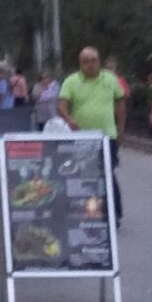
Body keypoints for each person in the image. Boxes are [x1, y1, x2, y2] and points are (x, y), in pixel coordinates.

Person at [57, 47, 127, 223]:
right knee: (83, 174)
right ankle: (89, 210)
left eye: (93, 60)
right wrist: (69, 119)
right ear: (80, 64)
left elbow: (120, 103)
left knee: (107, 173)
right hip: (81, 137)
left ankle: (114, 213)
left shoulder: (110, 79)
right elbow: (62, 104)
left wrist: (120, 130)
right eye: (85, 61)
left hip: (106, 136)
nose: (90, 65)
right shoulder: (71, 81)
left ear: (99, 61)